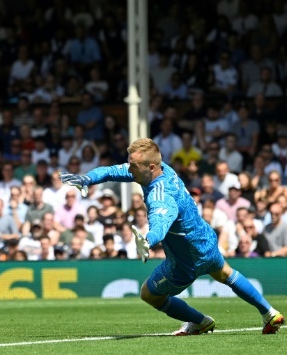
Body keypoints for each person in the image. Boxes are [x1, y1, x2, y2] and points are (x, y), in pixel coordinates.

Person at [60, 138, 284, 335]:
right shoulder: (162, 169)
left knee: (148, 294)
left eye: (134, 166)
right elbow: (110, 171)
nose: (130, 170)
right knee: (225, 273)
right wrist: (87, 179)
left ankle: (199, 321)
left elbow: (160, 222)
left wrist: (148, 240)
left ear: (150, 166)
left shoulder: (161, 194)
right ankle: (269, 312)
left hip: (185, 259)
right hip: (205, 240)